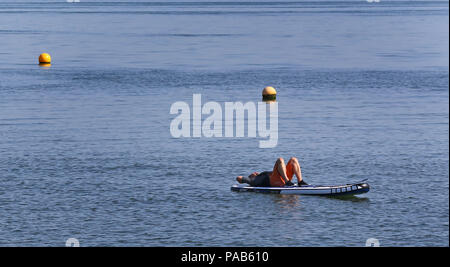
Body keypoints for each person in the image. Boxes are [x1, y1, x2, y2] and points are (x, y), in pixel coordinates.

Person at [236, 157, 308, 187]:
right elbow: (238, 178)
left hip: (282, 177)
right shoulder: (253, 180)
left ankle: (300, 181)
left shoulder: (260, 175)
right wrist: (247, 179)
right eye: (253, 173)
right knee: (280, 160)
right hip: (275, 181)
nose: (254, 172)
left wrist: (259, 174)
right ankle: (287, 181)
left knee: (293, 160)